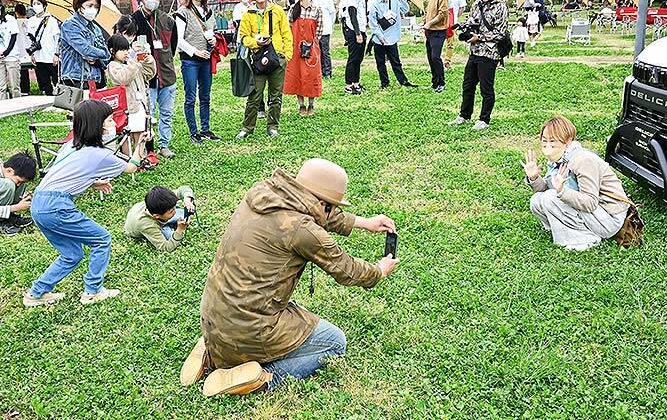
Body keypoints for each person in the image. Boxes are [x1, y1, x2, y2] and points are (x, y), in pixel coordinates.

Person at [180, 158, 400, 396]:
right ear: (324, 203)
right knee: (334, 342)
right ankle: (262, 379)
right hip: (249, 326)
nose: (335, 212)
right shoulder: (303, 230)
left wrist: (364, 223)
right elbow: (349, 271)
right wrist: (379, 270)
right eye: (334, 207)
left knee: (291, 312)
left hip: (214, 314)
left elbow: (319, 213)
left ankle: (215, 351)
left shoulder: (262, 194)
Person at [23, 99, 146, 308]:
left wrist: (93, 182)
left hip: (39, 203)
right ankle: (93, 291)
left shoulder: (71, 146)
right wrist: (141, 144)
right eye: (108, 120)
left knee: (72, 254)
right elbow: (132, 167)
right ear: (96, 126)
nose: (112, 124)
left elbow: (65, 175)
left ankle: (36, 293)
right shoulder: (99, 154)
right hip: (56, 206)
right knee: (102, 239)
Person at [522, 116, 631, 251]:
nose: (546, 143)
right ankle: (568, 229)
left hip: (609, 218)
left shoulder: (583, 160)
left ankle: (586, 239)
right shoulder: (556, 160)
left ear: (567, 141)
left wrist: (562, 192)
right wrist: (534, 178)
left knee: (550, 197)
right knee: (537, 200)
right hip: (593, 213)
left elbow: (590, 202)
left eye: (552, 140)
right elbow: (547, 190)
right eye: (544, 139)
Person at [448, 0, 508, 131]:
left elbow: (500, 33)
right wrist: (464, 27)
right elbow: (473, 20)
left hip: (490, 53)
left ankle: (484, 119)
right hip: (475, 52)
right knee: (468, 85)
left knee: (486, 88)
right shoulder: (477, 4)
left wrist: (479, 37)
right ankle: (464, 115)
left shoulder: (501, 7)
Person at [236, 0, 293, 139]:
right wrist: (256, 42)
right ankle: (247, 128)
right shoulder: (248, 14)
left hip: (278, 58)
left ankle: (273, 127)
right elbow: (243, 37)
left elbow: (286, 34)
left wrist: (287, 55)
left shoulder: (278, 11)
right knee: (254, 95)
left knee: (275, 96)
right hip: (258, 59)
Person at [132, 0, 179, 159]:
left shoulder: (168, 20)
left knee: (167, 113)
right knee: (147, 114)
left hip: (167, 74)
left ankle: (164, 145)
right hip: (146, 77)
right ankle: (147, 148)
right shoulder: (133, 20)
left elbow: (172, 47)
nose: (152, 0)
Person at [176, 0, 222, 145]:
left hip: (206, 59)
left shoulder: (209, 13)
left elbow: (214, 33)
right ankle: (194, 132)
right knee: (190, 97)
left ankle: (205, 129)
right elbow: (179, 39)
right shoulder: (182, 12)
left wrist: (214, 41)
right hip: (190, 60)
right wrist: (195, 52)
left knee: (205, 96)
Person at [105, 32, 155, 156]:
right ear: (112, 51)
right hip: (126, 108)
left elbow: (149, 74)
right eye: (122, 50)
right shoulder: (113, 66)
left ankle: (140, 157)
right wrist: (135, 62)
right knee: (126, 135)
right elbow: (123, 78)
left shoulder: (131, 64)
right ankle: (128, 158)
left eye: (127, 49)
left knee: (140, 132)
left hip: (140, 104)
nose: (126, 53)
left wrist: (148, 61)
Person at [368, 0, 417, 89]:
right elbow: (373, 23)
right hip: (379, 38)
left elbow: (405, 9)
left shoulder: (394, 1)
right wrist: (380, 36)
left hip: (392, 37)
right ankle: (384, 83)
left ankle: (403, 81)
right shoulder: (375, 4)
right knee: (380, 63)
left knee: (396, 61)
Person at [59, 0, 111, 89]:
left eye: (96, 7)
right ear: (79, 5)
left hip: (96, 78)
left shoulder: (96, 28)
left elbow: (107, 55)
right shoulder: (70, 24)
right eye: (89, 5)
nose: (93, 9)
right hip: (76, 79)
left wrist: (99, 57)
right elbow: (85, 50)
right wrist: (101, 53)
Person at [284, 0, 323, 116]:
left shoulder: (316, 9)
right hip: (295, 48)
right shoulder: (293, 10)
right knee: (297, 75)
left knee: (311, 75)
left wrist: (313, 45)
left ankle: (311, 104)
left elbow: (319, 30)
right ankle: (301, 105)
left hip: (311, 47)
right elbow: (288, 28)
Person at [124, 185, 195, 252]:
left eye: (174, 207)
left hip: (157, 215)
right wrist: (180, 230)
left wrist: (187, 199)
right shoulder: (147, 225)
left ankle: (169, 221)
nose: (175, 211)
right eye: (171, 211)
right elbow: (165, 247)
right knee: (170, 236)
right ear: (157, 216)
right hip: (143, 223)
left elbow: (184, 189)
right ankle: (168, 225)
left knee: (184, 214)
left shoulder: (163, 200)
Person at [341, 0, 369, 95]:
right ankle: (348, 85)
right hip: (353, 29)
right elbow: (352, 12)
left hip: (361, 28)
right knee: (353, 58)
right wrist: (357, 33)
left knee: (359, 58)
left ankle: (356, 83)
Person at [27, 0, 60, 96]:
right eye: (34, 4)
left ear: (44, 5)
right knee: (44, 80)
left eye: (38, 4)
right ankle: (48, 96)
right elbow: (30, 38)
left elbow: (57, 38)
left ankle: (58, 97)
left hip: (50, 56)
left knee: (56, 79)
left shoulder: (51, 20)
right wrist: (31, 54)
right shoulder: (31, 20)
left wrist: (56, 54)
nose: (36, 6)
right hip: (38, 56)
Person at [422, 0, 449, 93]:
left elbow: (442, 14)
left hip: (439, 32)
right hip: (430, 32)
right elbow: (429, 14)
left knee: (435, 57)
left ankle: (441, 82)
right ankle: (435, 82)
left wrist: (430, 23)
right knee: (430, 57)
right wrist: (425, 23)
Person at [0, 152, 36, 236]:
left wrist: (24, 198)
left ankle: (8, 216)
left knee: (14, 183)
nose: (18, 185)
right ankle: (2, 221)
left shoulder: (7, 173)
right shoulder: (7, 183)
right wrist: (16, 207)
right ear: (9, 170)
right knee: (9, 184)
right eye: (19, 181)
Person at [310, 0, 336, 79]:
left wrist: (330, 25)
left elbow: (333, 13)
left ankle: (327, 72)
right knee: (317, 51)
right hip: (316, 30)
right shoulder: (313, 0)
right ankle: (319, 71)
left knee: (325, 51)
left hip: (325, 29)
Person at [443, 0, 467, 70]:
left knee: (450, 43)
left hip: (452, 22)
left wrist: (455, 16)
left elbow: (462, 7)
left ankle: (447, 61)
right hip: (441, 21)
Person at [0, 2, 21, 99]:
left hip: (11, 57)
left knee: (14, 86)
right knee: (1, 87)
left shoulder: (10, 19)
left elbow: (14, 37)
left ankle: (17, 108)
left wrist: (6, 52)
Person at [14, 3, 32, 95]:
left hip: (19, 49)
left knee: (22, 71)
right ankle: (44, 88)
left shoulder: (14, 23)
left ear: (16, 12)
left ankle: (25, 90)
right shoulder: (31, 21)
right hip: (31, 49)